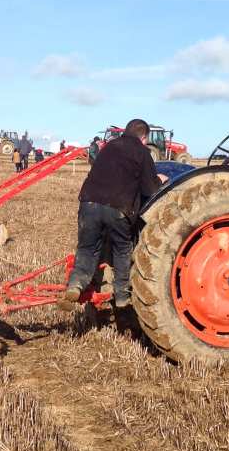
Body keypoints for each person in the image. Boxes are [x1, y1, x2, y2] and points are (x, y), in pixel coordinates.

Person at [59, 119, 166, 314]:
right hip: (118, 208)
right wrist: (160, 180)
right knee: (122, 249)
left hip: (89, 202)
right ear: (144, 138)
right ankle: (122, 296)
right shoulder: (142, 152)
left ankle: (75, 284)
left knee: (87, 247)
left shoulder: (108, 147)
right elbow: (149, 188)